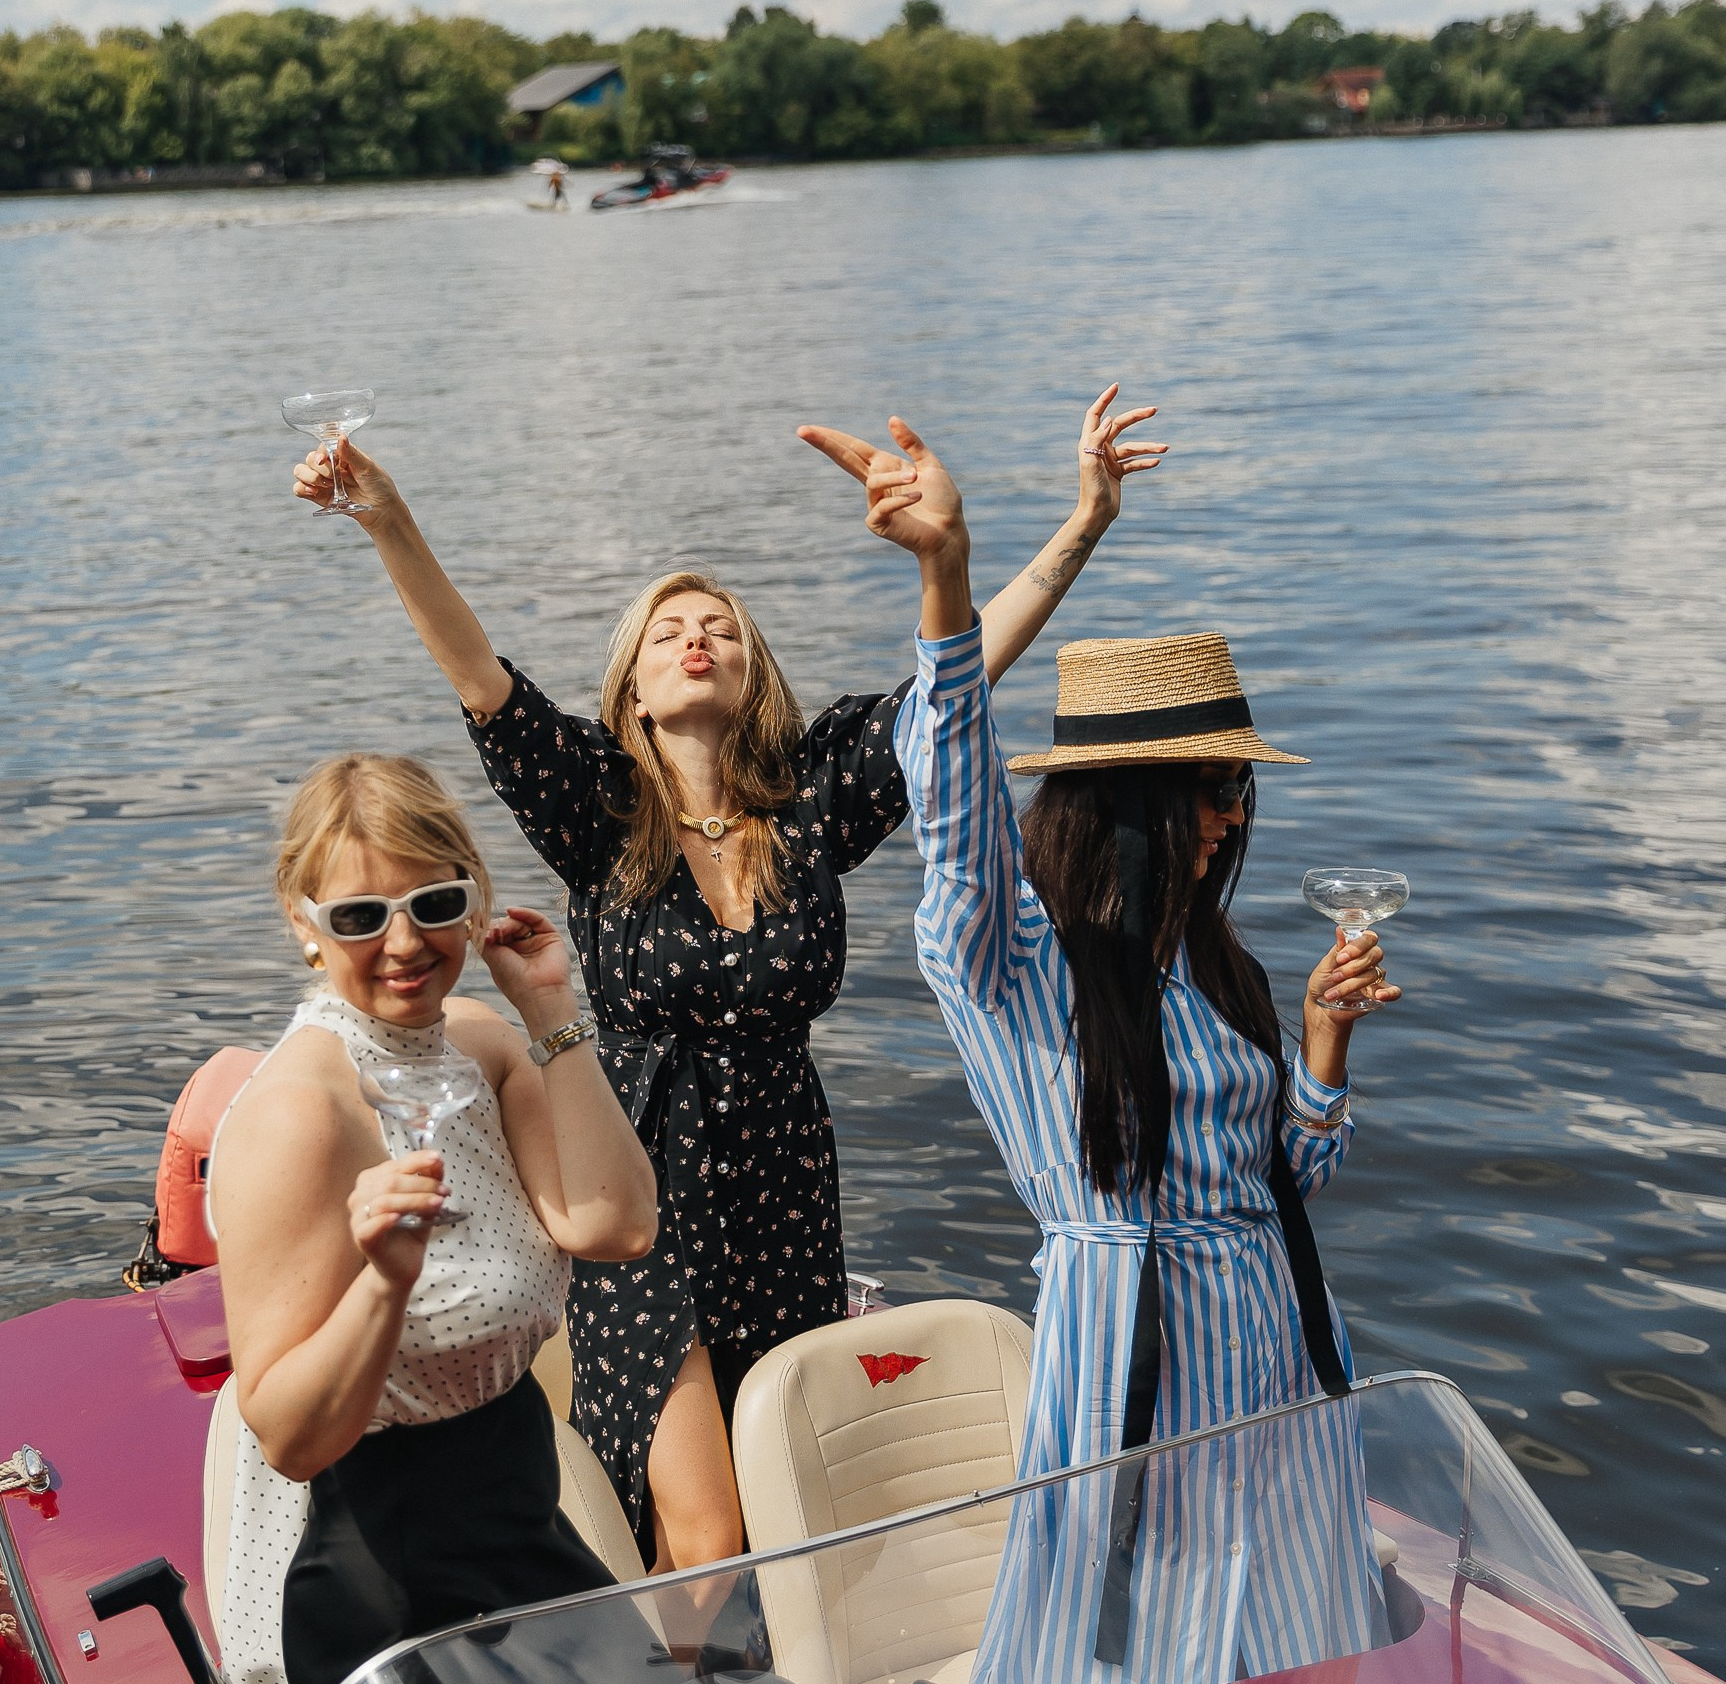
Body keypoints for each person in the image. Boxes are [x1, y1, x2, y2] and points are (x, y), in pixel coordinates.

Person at [293, 389, 1167, 1571]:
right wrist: (387, 519)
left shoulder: (809, 803)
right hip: (641, 1180)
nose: (696, 638)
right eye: (668, 632)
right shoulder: (599, 810)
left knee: (777, 1511)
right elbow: (479, 679)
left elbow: (954, 681)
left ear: (752, 679)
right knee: (705, 1526)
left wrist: (1076, 525)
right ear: (634, 694)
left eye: (721, 629)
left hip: (785, 1184)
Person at [809, 414, 1399, 1684]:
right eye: (1207, 790)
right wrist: (945, 576)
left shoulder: (1216, 966)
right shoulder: (1016, 961)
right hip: (1132, 1357)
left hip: (1281, 1360)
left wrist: (1318, 1051)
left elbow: (1283, 1187)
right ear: (1127, 802)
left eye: (1238, 790)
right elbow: (951, 800)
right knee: (1138, 1672)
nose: (1235, 816)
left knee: (1304, 1655)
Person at [207, 751, 658, 1684]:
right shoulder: (299, 1118)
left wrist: (550, 1012)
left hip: (523, 1535)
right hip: (380, 1582)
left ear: (473, 898)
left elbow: (614, 1224)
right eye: (361, 917)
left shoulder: (484, 1045)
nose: (404, 942)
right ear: (304, 923)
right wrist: (380, 1285)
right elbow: (287, 1434)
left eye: (433, 903)